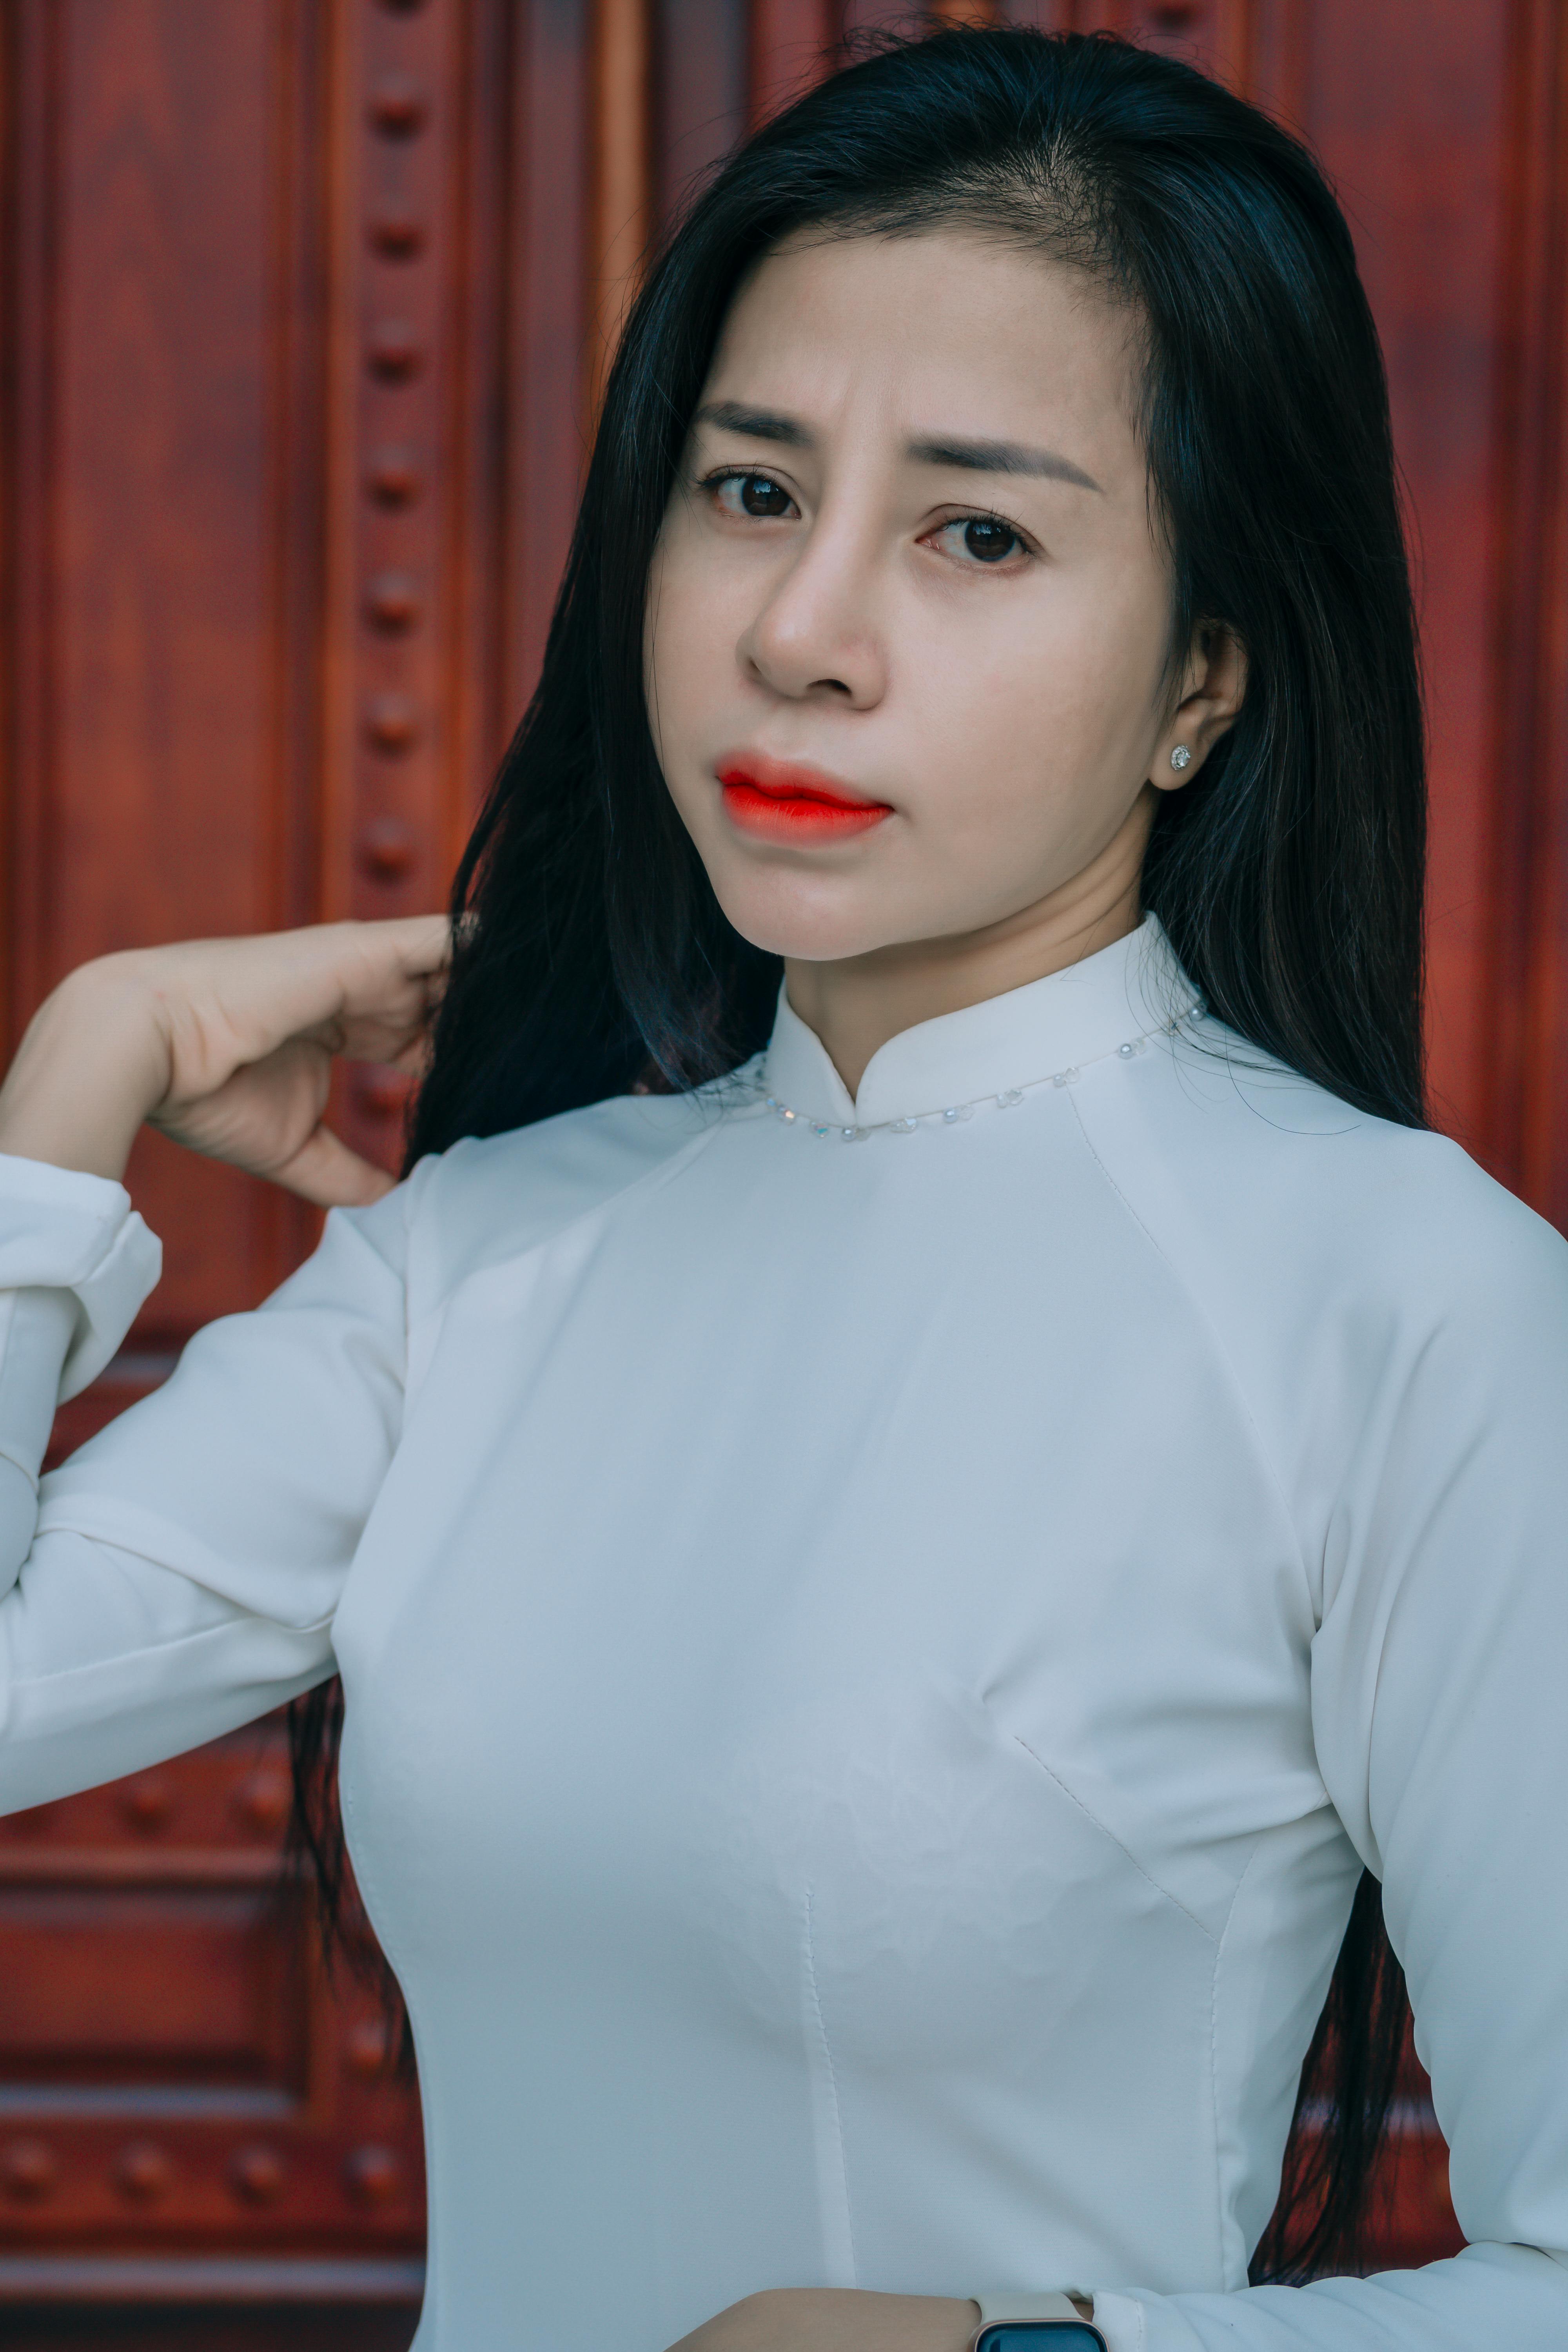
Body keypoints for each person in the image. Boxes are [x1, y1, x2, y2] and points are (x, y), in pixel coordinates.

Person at [0, 25, 1564, 2352]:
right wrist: (74, 1084)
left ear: (1201, 685)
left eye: (978, 532)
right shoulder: (488, 1262)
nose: (798, 634)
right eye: (749, 492)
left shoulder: (1407, 1304)